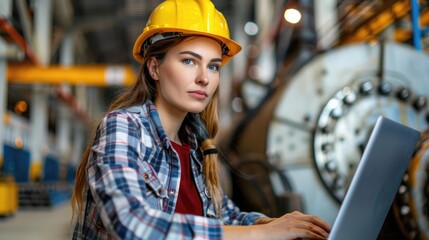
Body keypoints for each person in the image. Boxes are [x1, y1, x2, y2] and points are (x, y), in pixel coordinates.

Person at [71, 0, 331, 239]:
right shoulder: (125, 127)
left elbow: (224, 216)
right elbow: (132, 223)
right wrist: (260, 235)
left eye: (213, 66)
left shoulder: (197, 146)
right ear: (154, 68)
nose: (204, 78)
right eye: (188, 61)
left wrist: (274, 223)